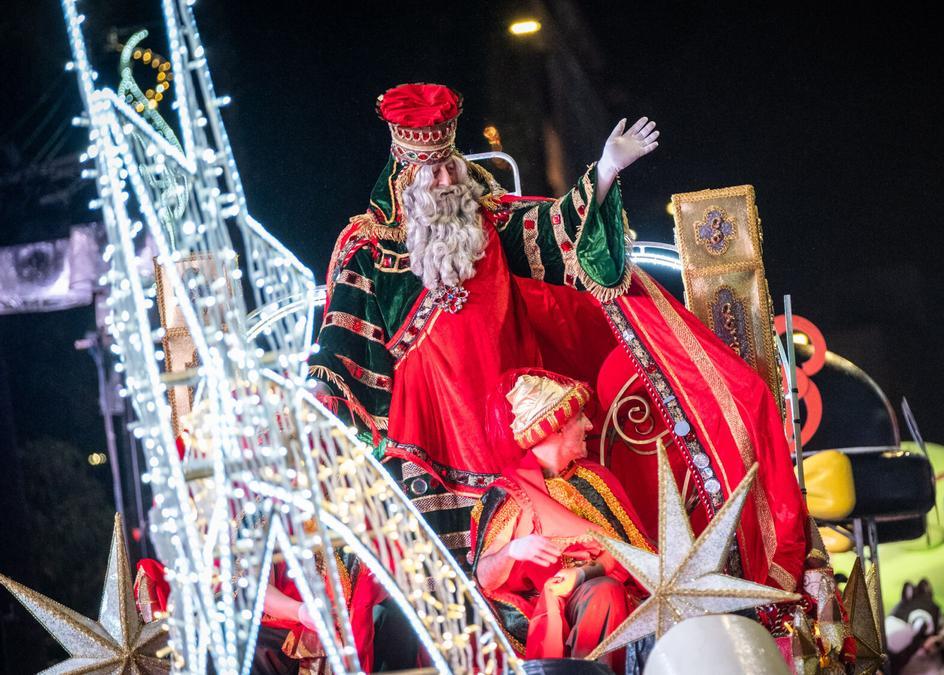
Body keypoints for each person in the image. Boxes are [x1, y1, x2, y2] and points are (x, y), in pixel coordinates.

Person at [309, 82, 813, 598]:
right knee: (444, 583)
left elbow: (554, 230)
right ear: (403, 173)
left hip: (512, 422)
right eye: (430, 170)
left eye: (448, 166)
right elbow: (340, 342)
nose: (443, 180)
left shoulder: (489, 222)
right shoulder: (367, 245)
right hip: (427, 430)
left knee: (541, 563)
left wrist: (606, 170)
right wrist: (321, 394)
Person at [469, 369, 652, 663]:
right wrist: (514, 550)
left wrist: (581, 574)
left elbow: (631, 552)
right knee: (603, 593)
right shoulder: (508, 493)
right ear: (556, 427)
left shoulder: (597, 480)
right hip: (537, 609)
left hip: (606, 591)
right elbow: (485, 578)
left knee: (605, 592)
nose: (590, 425)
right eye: (580, 417)